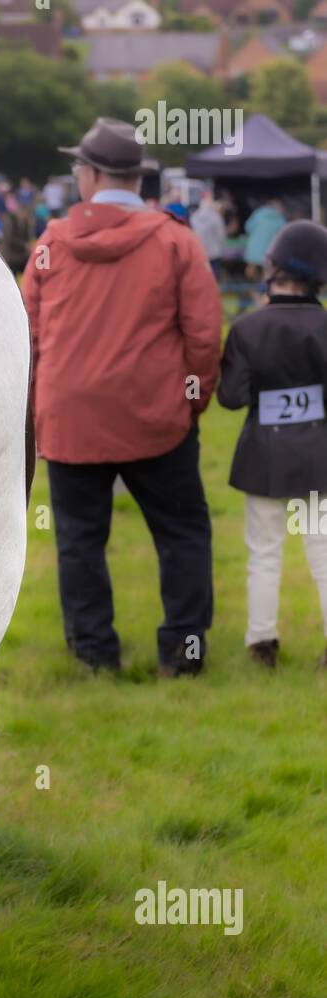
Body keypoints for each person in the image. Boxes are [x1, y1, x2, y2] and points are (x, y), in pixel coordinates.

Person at [22, 117, 222, 676]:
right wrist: (192, 400)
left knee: (79, 542)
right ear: (137, 178)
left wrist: (39, 410)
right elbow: (204, 337)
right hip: (156, 417)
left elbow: (26, 336)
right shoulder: (176, 242)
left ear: (88, 175)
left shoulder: (49, 247)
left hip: (71, 418)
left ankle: (93, 657)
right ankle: (183, 657)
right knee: (182, 534)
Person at [218, 220, 327, 669]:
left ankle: (262, 642)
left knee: (263, 552)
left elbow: (230, 398)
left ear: (273, 269)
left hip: (264, 458)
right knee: (322, 552)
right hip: (317, 459)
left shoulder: (247, 328)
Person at [244, 198, 285, 282]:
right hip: (269, 249)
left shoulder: (258, 213)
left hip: (254, 246)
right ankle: (263, 291)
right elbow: (282, 235)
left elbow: (248, 227)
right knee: (266, 272)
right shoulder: (280, 218)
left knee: (251, 268)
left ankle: (247, 288)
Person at [191, 190, 226, 281]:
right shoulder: (216, 217)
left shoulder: (194, 217)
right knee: (213, 280)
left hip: (199, 253)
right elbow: (221, 236)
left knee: (201, 279)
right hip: (214, 253)